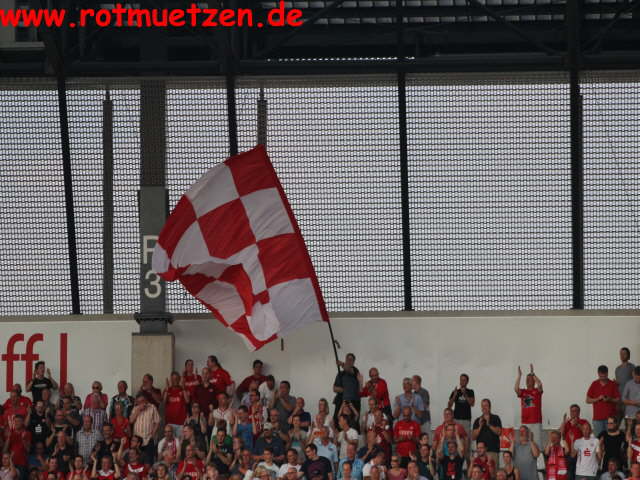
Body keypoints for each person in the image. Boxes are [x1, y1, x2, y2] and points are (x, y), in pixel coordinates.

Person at [586, 365, 620, 437]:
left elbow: (618, 400)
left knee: (611, 439)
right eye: (601, 376)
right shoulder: (594, 384)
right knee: (598, 440)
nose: (603, 378)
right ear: (598, 374)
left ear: (607, 373)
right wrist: (597, 399)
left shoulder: (613, 384)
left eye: (604, 376)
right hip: (597, 419)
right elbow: (587, 400)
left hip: (611, 419)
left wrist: (610, 399)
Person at [514, 365, 543, 443]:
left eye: (529, 379)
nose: (527, 381)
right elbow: (516, 388)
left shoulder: (537, 391)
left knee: (536, 443)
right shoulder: (523, 392)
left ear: (534, 381)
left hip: (536, 422)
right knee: (525, 443)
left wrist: (533, 374)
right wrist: (519, 376)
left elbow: (540, 384)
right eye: (527, 379)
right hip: (525, 422)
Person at [130, 393, 161, 466]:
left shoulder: (152, 407)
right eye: (139, 402)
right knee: (138, 459)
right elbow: (131, 421)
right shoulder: (135, 408)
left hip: (148, 439)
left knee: (148, 460)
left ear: (146, 400)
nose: (141, 403)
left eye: (142, 401)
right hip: (137, 441)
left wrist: (153, 434)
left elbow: (157, 421)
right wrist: (138, 410)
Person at [333, 355, 363, 427]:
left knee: (354, 422)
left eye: (351, 360)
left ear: (353, 362)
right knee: (337, 420)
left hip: (354, 401)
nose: (349, 361)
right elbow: (334, 388)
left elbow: (349, 369)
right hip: (342, 401)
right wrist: (343, 390)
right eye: (347, 359)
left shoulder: (355, 370)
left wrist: (341, 364)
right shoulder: (340, 374)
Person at [472, 399, 502, 467]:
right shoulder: (477, 420)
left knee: (493, 472)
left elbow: (499, 432)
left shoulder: (496, 418)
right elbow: (473, 437)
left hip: (493, 451)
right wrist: (480, 426)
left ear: (490, 407)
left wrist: (489, 424)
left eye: (486, 405)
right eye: (482, 406)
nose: (484, 407)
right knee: (481, 472)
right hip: (481, 453)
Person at [447, 375, 475, 440]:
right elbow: (449, 405)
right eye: (461, 380)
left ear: (467, 382)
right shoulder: (455, 391)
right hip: (456, 419)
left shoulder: (470, 391)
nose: (462, 381)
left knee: (466, 438)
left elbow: (472, 404)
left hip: (466, 419)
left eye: (464, 380)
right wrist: (454, 395)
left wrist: (465, 394)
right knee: (456, 439)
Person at [164, 372, 189, 438]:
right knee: (171, 442)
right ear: (171, 380)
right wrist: (166, 390)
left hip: (181, 423)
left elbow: (187, 401)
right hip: (170, 422)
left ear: (179, 379)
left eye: (176, 379)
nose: (175, 380)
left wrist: (183, 388)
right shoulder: (168, 390)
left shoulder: (183, 389)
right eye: (173, 379)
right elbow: (164, 402)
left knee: (180, 442)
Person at [622, 367, 640, 431]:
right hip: (630, 415)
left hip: (639, 416)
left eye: (639, 378)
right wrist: (635, 403)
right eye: (636, 377)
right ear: (633, 374)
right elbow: (623, 399)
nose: (638, 379)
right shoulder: (628, 384)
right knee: (629, 433)